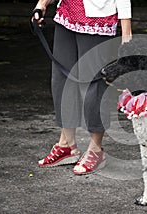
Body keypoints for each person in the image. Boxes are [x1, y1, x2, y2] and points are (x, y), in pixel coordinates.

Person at [31, 0, 132, 175]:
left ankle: (96, 150)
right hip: (68, 13)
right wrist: (42, 4)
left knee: (93, 84)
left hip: (98, 18)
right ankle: (66, 145)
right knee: (61, 81)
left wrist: (126, 31)